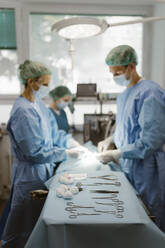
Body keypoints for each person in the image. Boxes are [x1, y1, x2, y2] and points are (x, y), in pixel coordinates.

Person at [1, 60, 83, 248]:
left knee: (38, 224)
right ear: (31, 82)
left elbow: (53, 133)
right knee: (25, 229)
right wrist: (66, 153)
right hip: (29, 176)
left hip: (42, 172)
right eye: (44, 84)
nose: (48, 88)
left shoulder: (37, 104)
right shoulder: (23, 111)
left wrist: (68, 142)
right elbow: (34, 153)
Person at [97, 45, 165, 232]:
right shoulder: (124, 95)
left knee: (150, 217)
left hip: (147, 168)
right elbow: (128, 127)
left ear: (132, 67)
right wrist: (110, 139)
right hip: (128, 164)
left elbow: (152, 140)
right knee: (131, 215)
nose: (115, 77)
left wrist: (118, 153)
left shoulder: (150, 92)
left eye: (118, 72)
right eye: (112, 73)